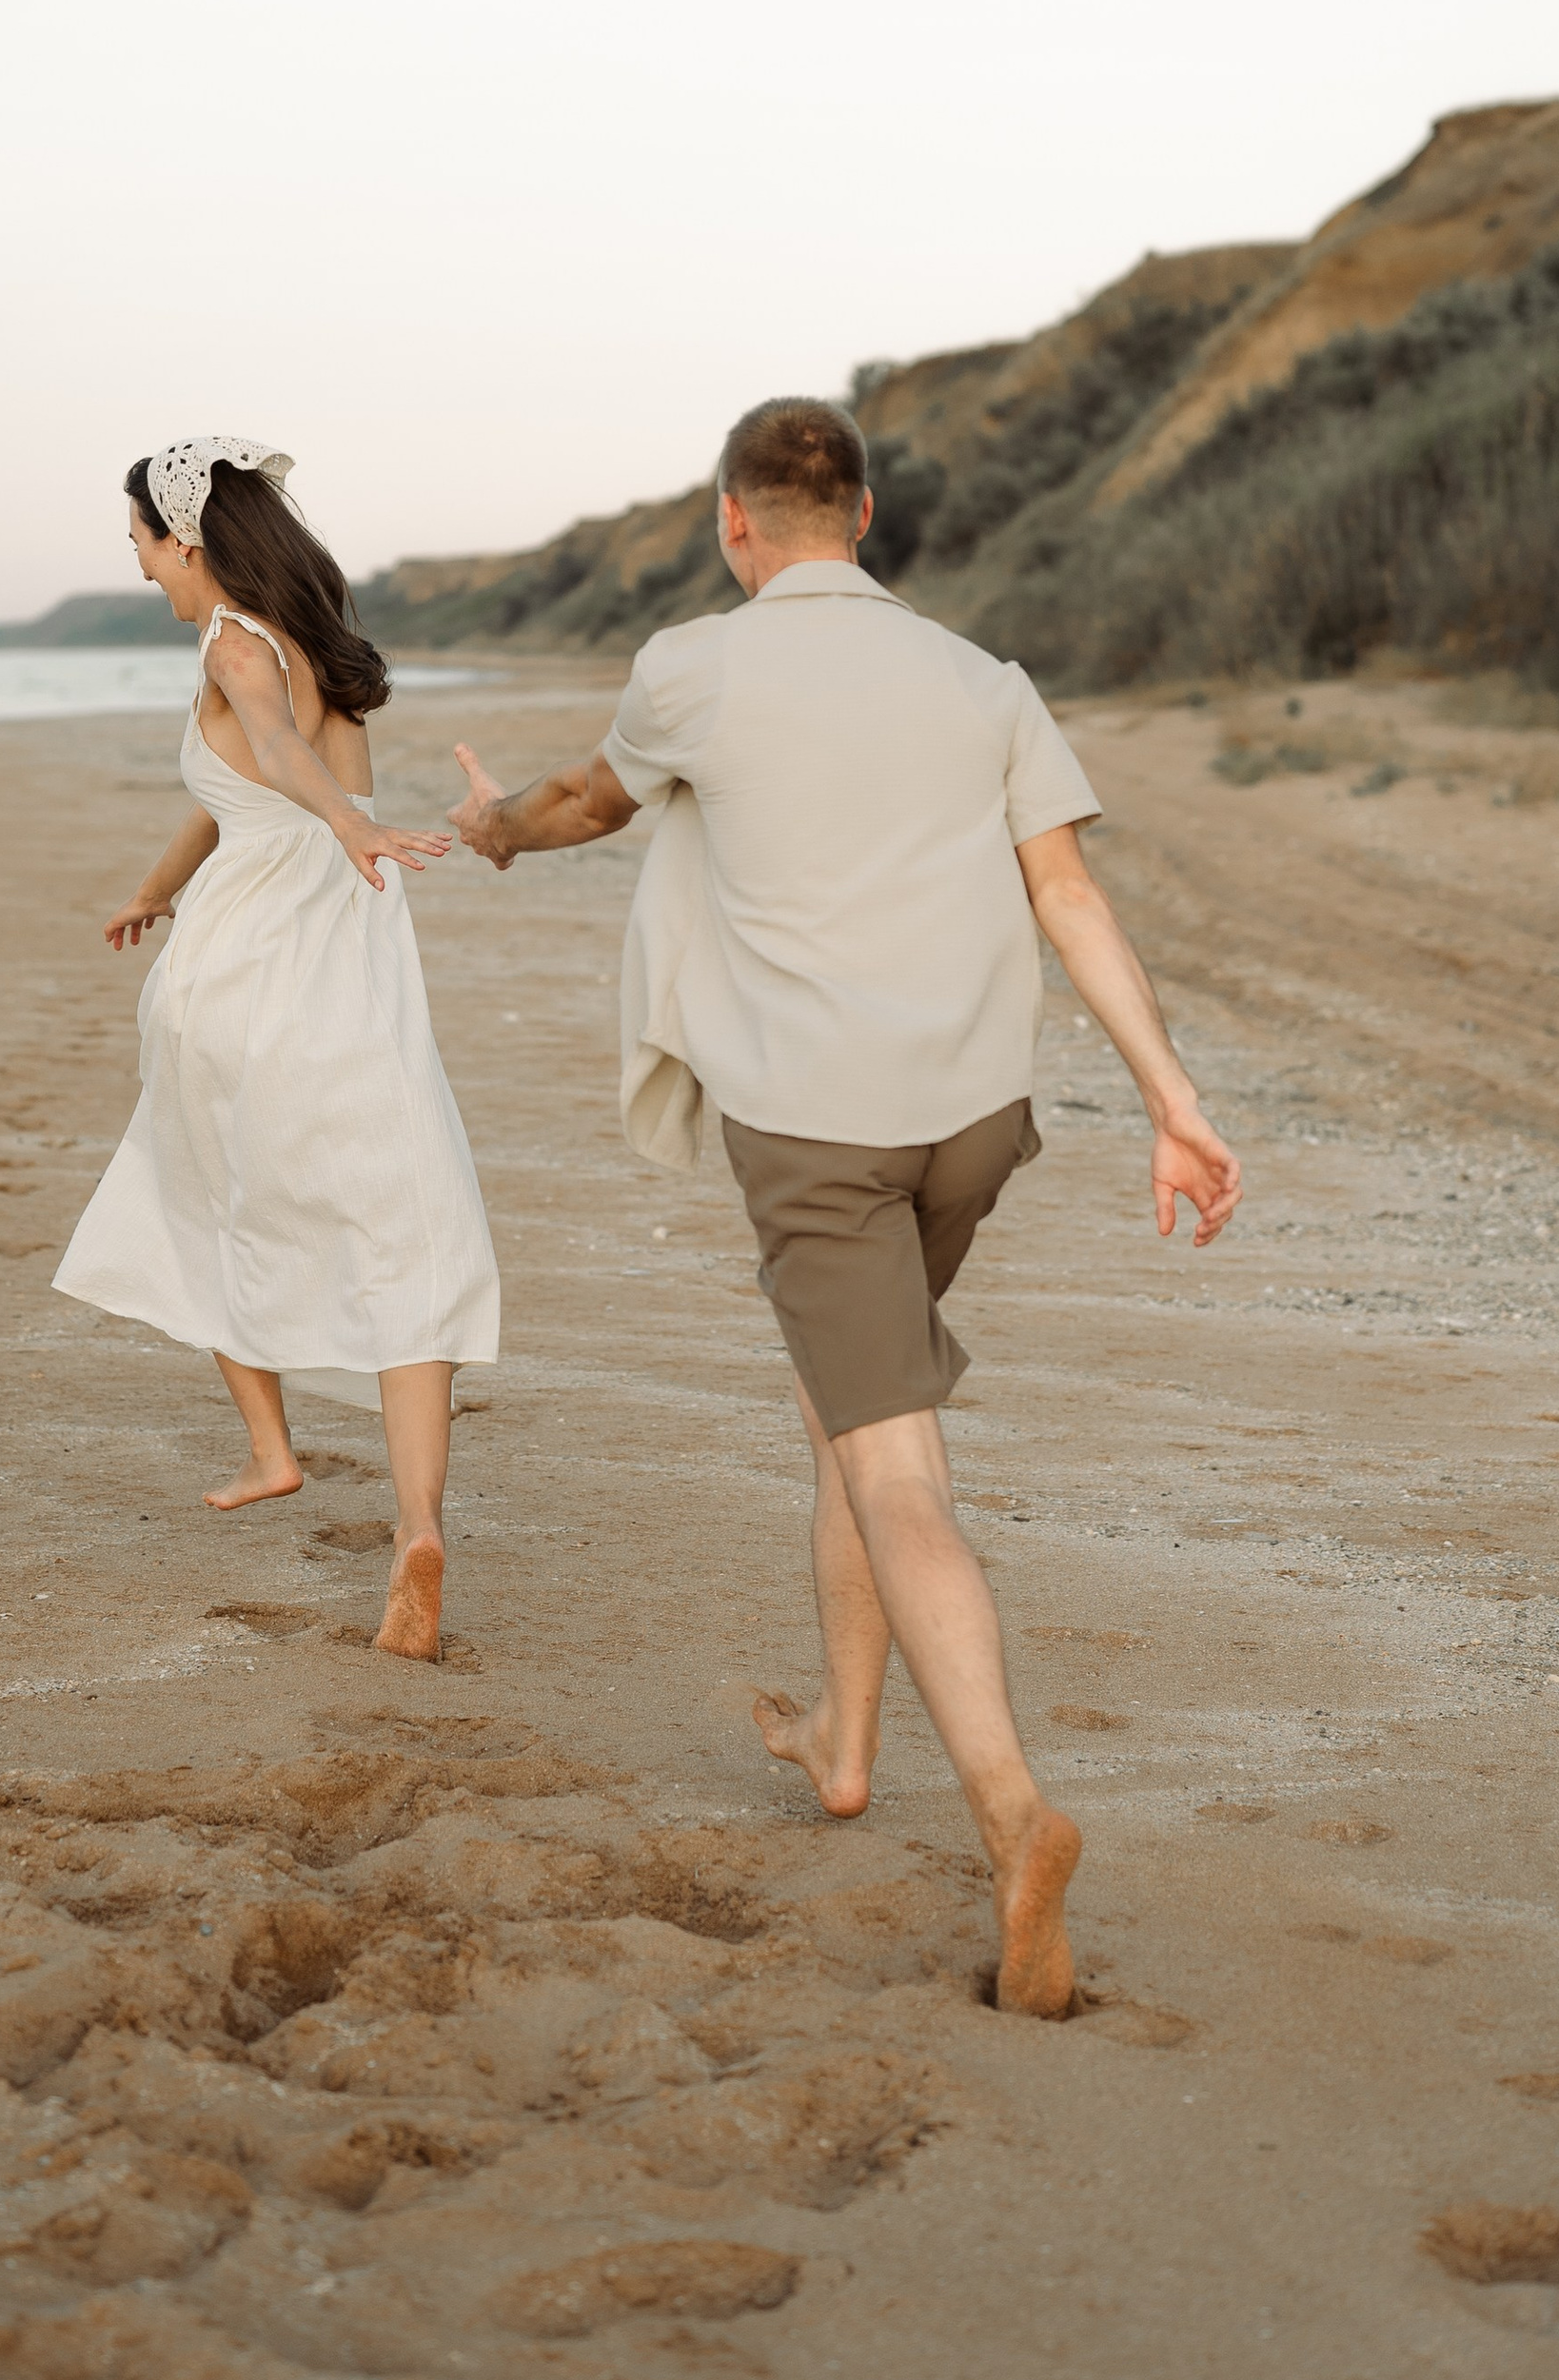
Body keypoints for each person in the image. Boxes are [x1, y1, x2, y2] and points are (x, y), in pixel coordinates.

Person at [449, 395, 1240, 2013]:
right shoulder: (982, 682)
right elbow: (1067, 892)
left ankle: (1013, 1816)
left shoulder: (692, 666)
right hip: (968, 1123)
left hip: (814, 1135)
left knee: (901, 1478)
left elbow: (587, 803)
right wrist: (1173, 1101)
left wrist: (492, 833)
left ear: (733, 522)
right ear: (865, 517)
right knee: (846, 1403)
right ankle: (843, 1742)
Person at [55, 436, 498, 1662]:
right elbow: (232, 796)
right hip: (353, 982)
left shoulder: (235, 647)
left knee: (198, 1195)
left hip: (245, 978)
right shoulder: (315, 645)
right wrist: (151, 888)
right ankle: (417, 1526)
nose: (138, 562)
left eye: (140, 540)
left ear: (183, 541)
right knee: (406, 1229)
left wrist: (350, 822)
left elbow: (277, 750)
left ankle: (271, 1450)